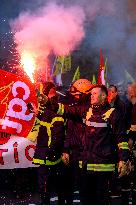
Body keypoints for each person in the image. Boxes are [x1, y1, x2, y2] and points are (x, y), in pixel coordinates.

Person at [61, 84, 129, 205]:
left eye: (95, 93)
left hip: (103, 167)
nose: (92, 96)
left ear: (103, 96)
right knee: (85, 199)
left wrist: (123, 160)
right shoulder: (86, 111)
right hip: (86, 166)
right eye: (91, 93)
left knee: (100, 200)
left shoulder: (113, 114)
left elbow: (121, 140)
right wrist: (47, 102)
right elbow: (66, 110)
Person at [32, 81, 66, 205]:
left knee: (51, 187)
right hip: (46, 155)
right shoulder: (47, 108)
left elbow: (57, 133)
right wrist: (38, 114)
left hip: (50, 155)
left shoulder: (55, 108)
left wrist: (51, 151)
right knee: (48, 187)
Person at [62, 79, 93, 204]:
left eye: (77, 95)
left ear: (84, 94)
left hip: (87, 153)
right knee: (69, 184)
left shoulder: (90, 109)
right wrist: (65, 149)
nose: (74, 97)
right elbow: (69, 131)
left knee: (86, 187)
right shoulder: (75, 106)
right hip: (74, 151)